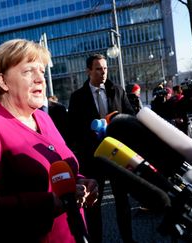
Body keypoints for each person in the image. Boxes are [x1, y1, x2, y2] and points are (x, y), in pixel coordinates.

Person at [0, 39, 98, 242]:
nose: (40, 79)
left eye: (41, 71)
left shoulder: (43, 118)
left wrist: (81, 182)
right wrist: (50, 203)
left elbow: (58, 170)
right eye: (28, 71)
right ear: (3, 82)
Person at [67, 54, 136, 243]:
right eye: (98, 68)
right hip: (92, 158)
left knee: (122, 202)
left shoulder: (118, 91)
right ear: (88, 71)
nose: (103, 72)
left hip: (116, 155)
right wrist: (89, 134)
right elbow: (72, 129)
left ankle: (128, 239)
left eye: (105, 68)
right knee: (93, 205)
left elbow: (130, 118)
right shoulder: (77, 97)